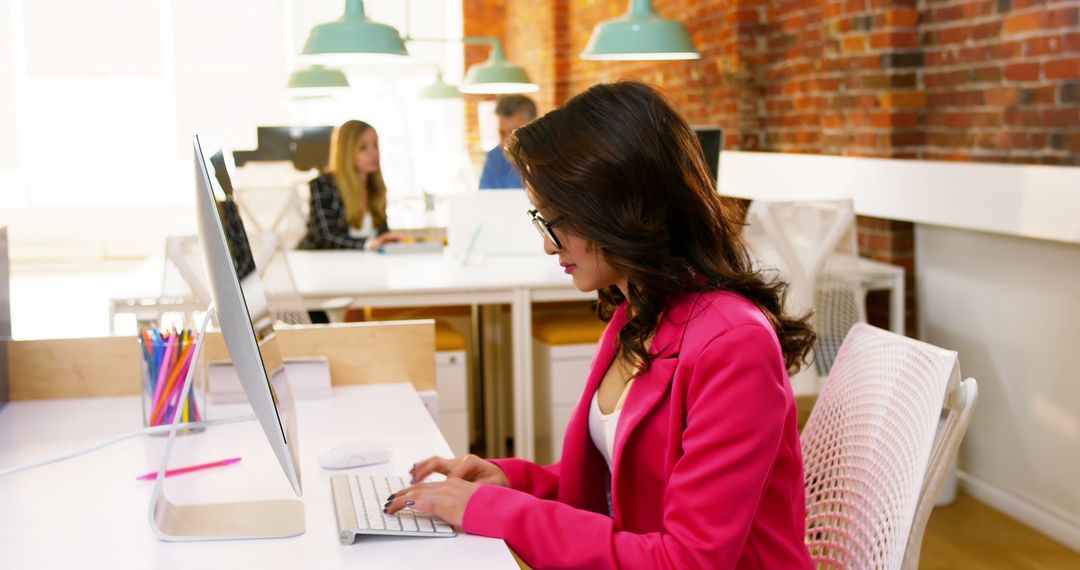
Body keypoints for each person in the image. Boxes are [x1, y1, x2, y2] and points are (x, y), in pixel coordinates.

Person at [385, 81, 816, 569]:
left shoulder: (733, 343)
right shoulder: (634, 312)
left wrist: (492, 510)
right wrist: (509, 482)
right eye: (541, 220)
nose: (550, 245)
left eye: (557, 222)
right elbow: (620, 489)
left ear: (619, 210)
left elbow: (687, 560)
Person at [296, 120, 407, 250]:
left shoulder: (376, 188)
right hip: (321, 264)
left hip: (362, 264)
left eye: (375, 145)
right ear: (347, 151)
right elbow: (326, 235)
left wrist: (388, 239)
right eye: (363, 148)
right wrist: (369, 244)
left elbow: (378, 234)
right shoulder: (323, 185)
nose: (373, 153)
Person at [478, 94, 536, 189]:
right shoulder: (494, 157)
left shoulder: (549, 159)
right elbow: (485, 198)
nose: (506, 142)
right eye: (502, 133)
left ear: (533, 127)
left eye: (513, 133)